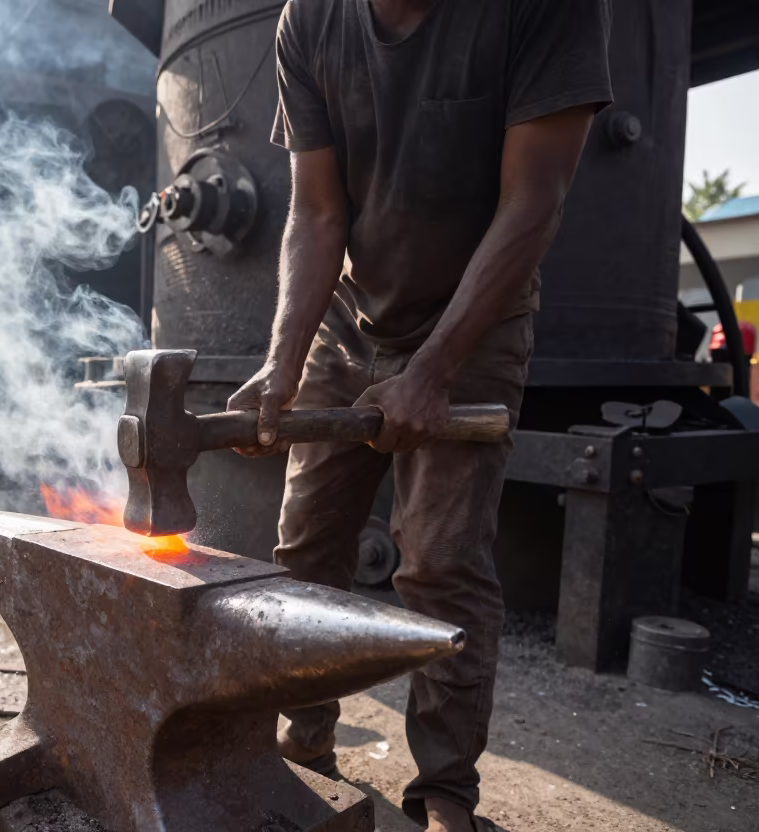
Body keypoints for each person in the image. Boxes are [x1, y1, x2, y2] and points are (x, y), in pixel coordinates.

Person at [227, 2, 612, 830]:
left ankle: (444, 791)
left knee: (438, 563)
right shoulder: (311, 20)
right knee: (305, 551)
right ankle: (304, 740)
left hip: (475, 322)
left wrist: (433, 370)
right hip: (349, 318)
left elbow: (533, 203)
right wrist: (283, 361)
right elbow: (317, 211)